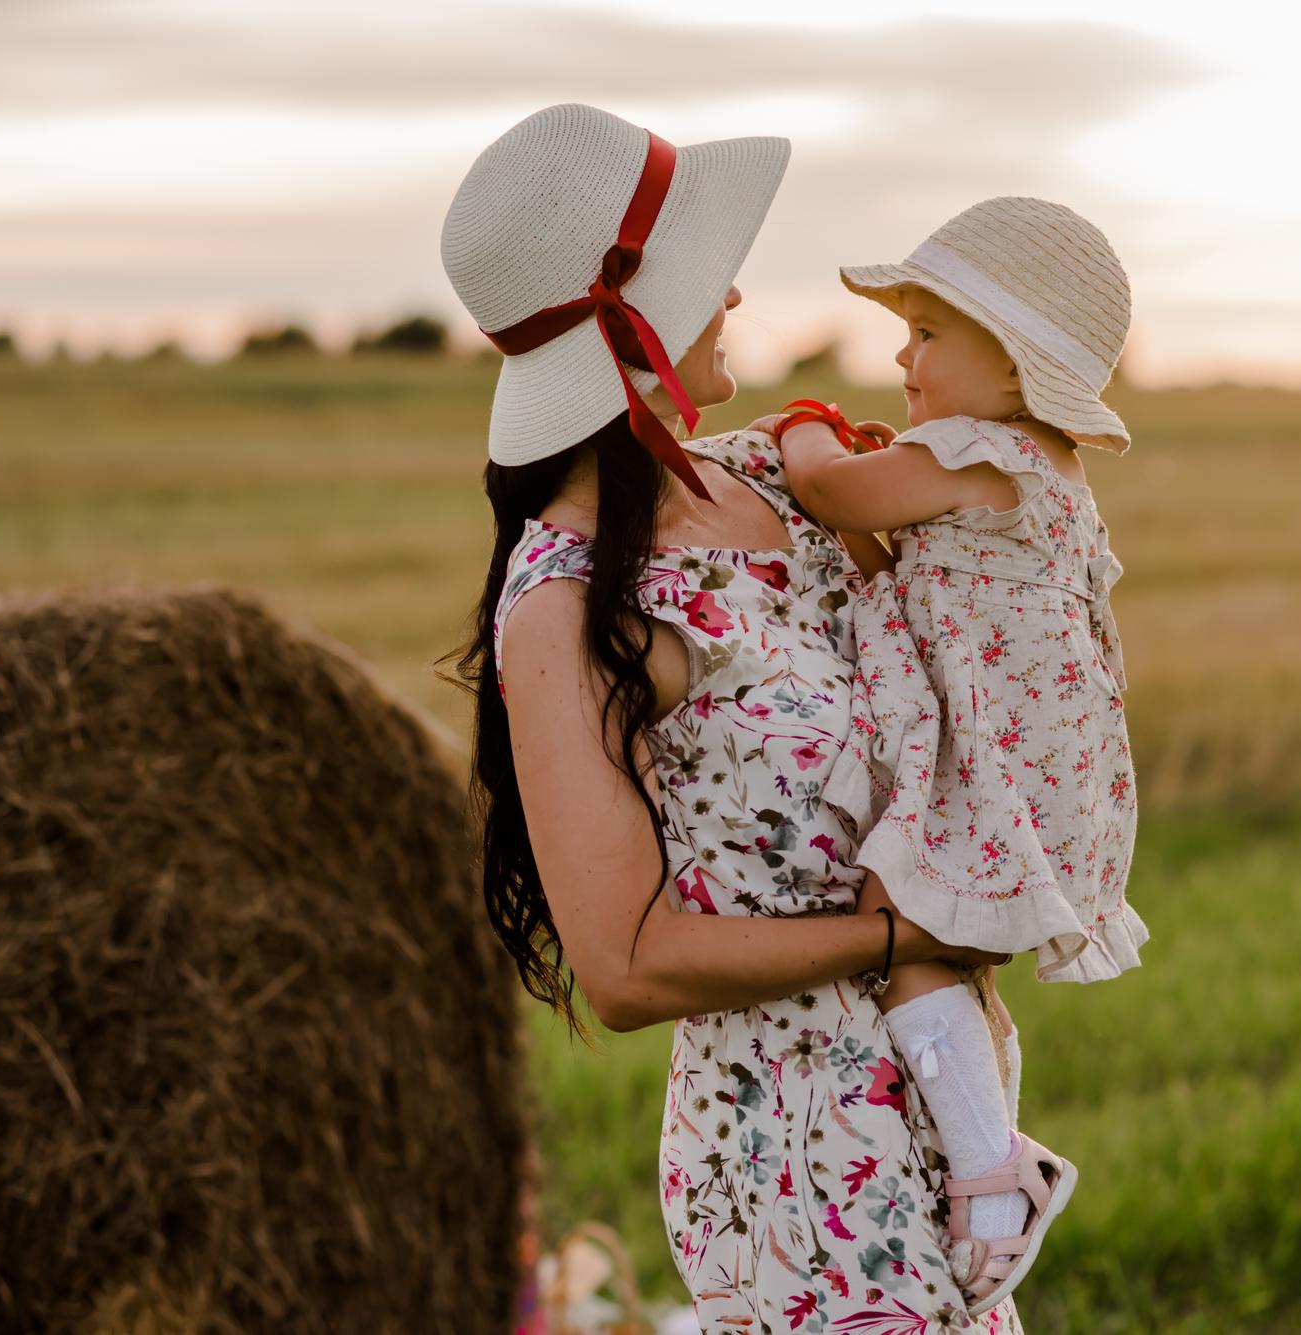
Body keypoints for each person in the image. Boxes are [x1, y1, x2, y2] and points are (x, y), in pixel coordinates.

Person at [440, 104, 1027, 1331]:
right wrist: (893, 939)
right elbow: (624, 964)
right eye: (709, 278)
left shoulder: (775, 475)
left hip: (941, 1087)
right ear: (629, 322)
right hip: (792, 1147)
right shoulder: (561, 606)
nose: (739, 297)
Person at [766, 196, 1148, 1313]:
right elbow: (898, 569)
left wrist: (802, 425)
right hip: (1036, 768)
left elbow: (829, 488)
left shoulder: (979, 451)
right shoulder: (1041, 469)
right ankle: (981, 1149)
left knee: (901, 927)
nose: (901, 353)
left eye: (928, 333)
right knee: (939, 947)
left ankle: (995, 1174)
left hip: (995, 769)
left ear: (1015, 366)